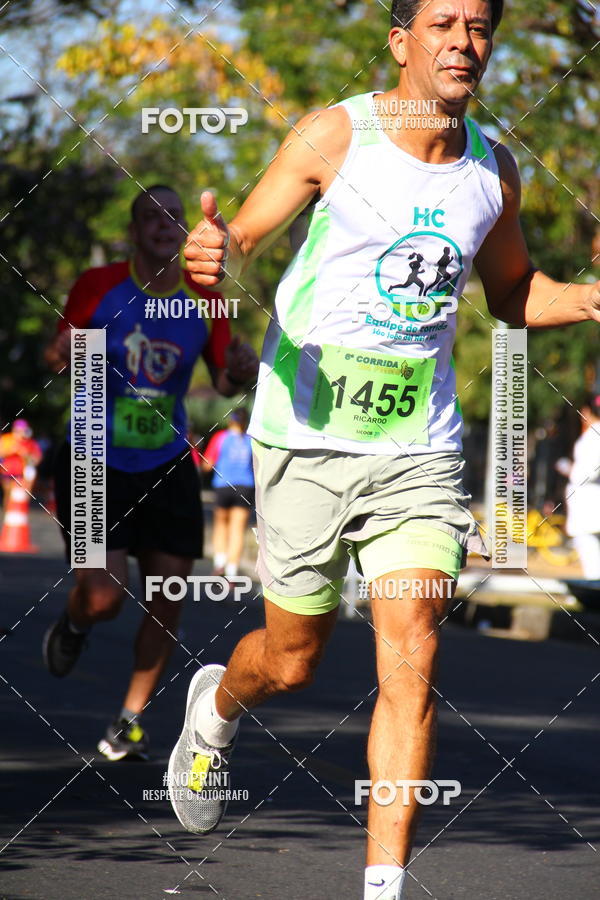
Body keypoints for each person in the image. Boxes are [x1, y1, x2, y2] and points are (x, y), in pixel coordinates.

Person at [168, 2, 600, 897]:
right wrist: (212, 253)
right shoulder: (337, 136)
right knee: (292, 658)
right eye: (442, 22)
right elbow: (240, 239)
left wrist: (589, 296)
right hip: (305, 435)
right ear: (403, 43)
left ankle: (383, 887)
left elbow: (517, 296)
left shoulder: (494, 170)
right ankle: (214, 707)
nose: (463, 41)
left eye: (479, 25)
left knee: (413, 652)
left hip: (419, 451)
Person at [43, 184, 258, 761]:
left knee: (168, 592)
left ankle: (128, 721)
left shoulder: (203, 299)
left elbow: (224, 381)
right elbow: (58, 355)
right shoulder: (99, 288)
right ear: (135, 233)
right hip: (92, 457)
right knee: (105, 596)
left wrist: (239, 370)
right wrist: (64, 353)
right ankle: (74, 622)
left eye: (175, 217)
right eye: (151, 217)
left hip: (165, 460)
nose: (165, 225)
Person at [203, 408, 255, 579]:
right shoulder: (251, 440)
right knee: (238, 530)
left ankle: (219, 564)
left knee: (221, 525)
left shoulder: (221, 437)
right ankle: (232, 572)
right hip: (245, 487)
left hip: (223, 485)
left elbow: (207, 465)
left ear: (231, 420)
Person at [557, 395, 600, 578]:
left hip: (589, 499)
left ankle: (594, 586)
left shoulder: (594, 435)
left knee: (589, 547)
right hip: (587, 497)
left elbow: (590, 471)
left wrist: (570, 469)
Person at [0, 419, 42, 506]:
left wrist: (25, 455)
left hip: (21, 473)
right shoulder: (6, 438)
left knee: (17, 495)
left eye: (22, 430)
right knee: (8, 494)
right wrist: (11, 451)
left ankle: (18, 513)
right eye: (17, 430)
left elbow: (37, 458)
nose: (19, 432)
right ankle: (8, 514)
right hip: (6, 471)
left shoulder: (30, 442)